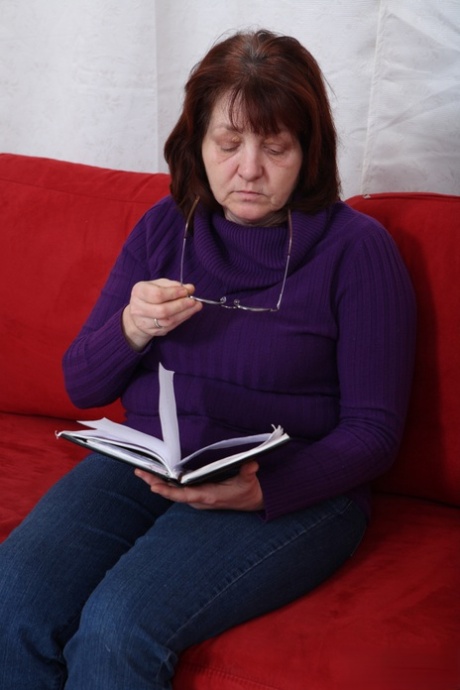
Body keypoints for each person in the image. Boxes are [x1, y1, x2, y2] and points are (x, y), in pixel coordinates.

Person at [0, 29, 416, 690]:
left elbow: (374, 433)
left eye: (275, 147)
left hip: (292, 484)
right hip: (150, 456)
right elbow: (81, 383)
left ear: (308, 154)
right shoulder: (167, 227)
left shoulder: (357, 251)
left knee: (117, 628)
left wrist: (263, 490)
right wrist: (131, 325)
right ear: (197, 143)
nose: (248, 169)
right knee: (11, 594)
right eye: (229, 144)